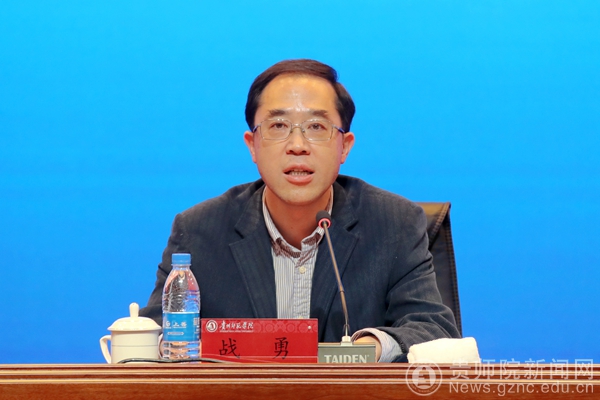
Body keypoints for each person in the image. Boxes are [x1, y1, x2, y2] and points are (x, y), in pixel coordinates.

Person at [140, 59, 460, 362]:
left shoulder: (394, 224)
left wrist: (363, 352)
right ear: (252, 145)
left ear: (345, 146)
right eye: (279, 125)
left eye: (316, 127)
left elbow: (435, 331)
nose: (297, 145)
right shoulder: (199, 231)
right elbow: (153, 340)